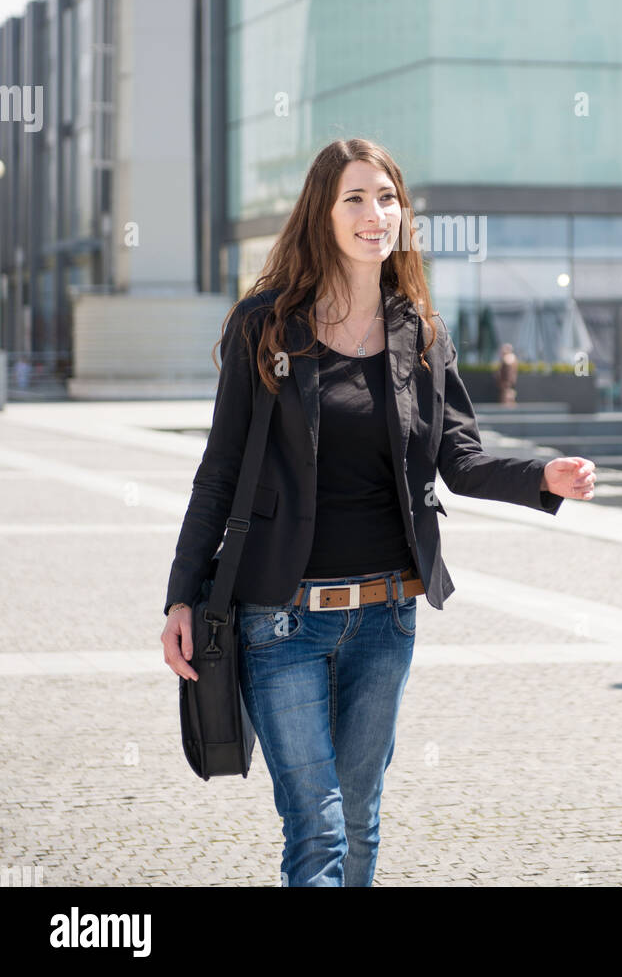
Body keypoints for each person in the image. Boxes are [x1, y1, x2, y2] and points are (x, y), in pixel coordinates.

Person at [161, 137, 596, 887]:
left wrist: (544, 476)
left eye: (387, 197)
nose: (375, 214)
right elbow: (219, 472)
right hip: (281, 620)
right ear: (322, 215)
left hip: (387, 617)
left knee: (359, 818)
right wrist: (180, 593)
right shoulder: (266, 328)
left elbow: (460, 461)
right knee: (318, 825)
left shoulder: (420, 334)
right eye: (355, 198)